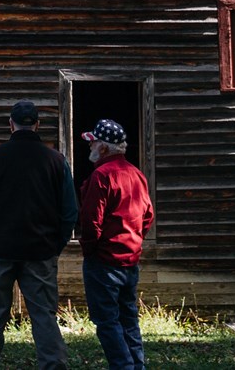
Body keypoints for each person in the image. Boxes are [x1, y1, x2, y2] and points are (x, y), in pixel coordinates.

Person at [0, 100, 78, 370]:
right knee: (44, 317)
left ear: (10, 125)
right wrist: (57, 244)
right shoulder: (56, 160)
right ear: (37, 124)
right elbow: (70, 210)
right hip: (39, 250)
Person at [79, 119, 154, 370]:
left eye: (94, 142)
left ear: (103, 147)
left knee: (107, 321)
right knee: (128, 318)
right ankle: (137, 366)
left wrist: (90, 250)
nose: (90, 147)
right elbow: (148, 215)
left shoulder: (101, 176)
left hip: (104, 262)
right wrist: (133, 240)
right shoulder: (137, 174)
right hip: (130, 260)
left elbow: (91, 222)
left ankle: (123, 367)